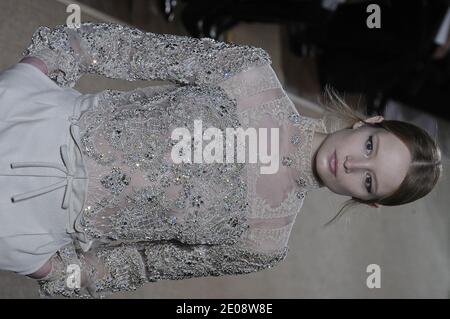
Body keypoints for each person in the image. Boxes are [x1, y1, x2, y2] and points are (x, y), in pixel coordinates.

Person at [0, 22, 441, 298]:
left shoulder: (264, 242)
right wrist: (44, 65)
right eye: (370, 148)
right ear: (370, 121)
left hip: (31, 225)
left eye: (369, 183)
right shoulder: (251, 76)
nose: (353, 167)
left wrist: (52, 268)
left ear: (369, 202)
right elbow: (134, 51)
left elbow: (143, 264)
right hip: (40, 118)